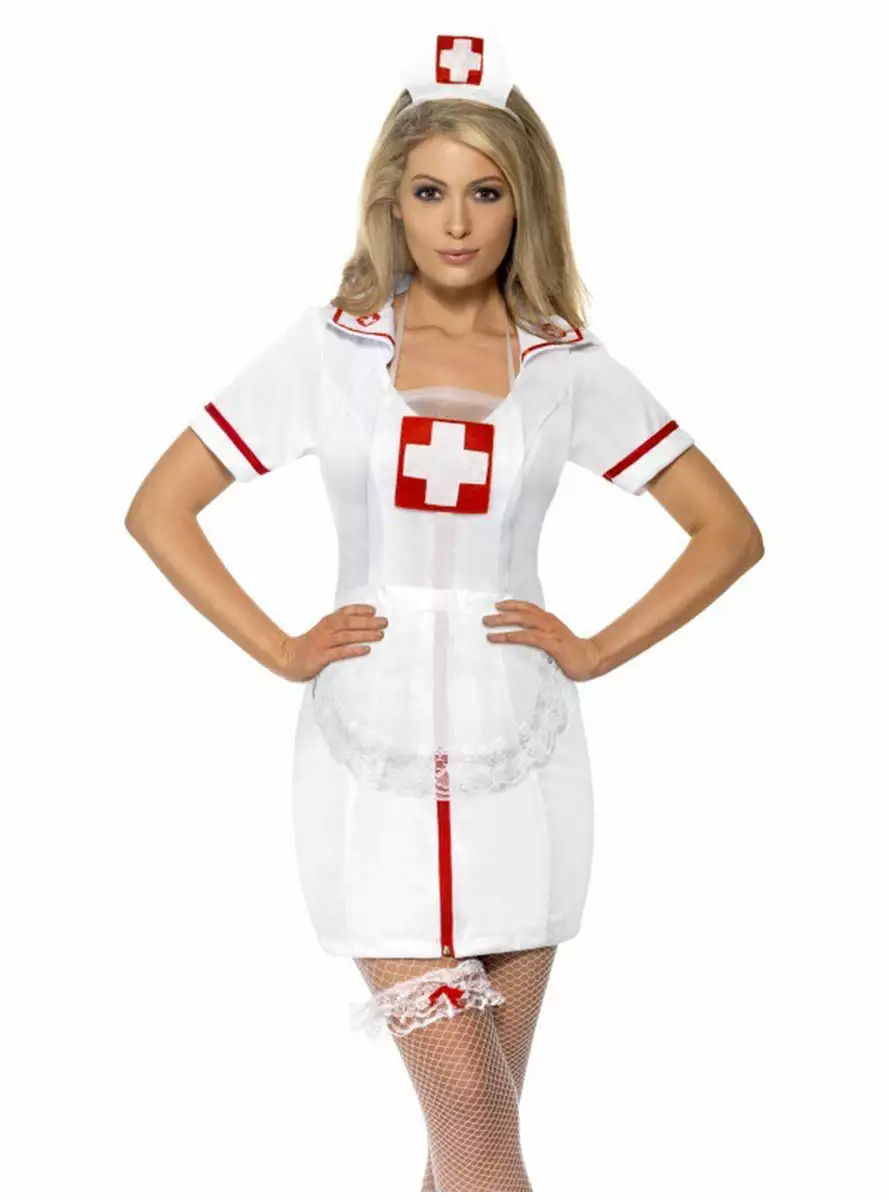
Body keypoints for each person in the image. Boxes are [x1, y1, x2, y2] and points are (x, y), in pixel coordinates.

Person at [125, 27, 764, 1193]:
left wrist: (593, 649)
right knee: (478, 1128)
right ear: (392, 201)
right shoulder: (330, 350)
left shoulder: (565, 364)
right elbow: (160, 506)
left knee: (467, 1144)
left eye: (485, 191)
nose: (457, 223)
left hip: (525, 761)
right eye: (429, 192)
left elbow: (727, 531)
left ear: (525, 204)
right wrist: (280, 646)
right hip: (365, 764)